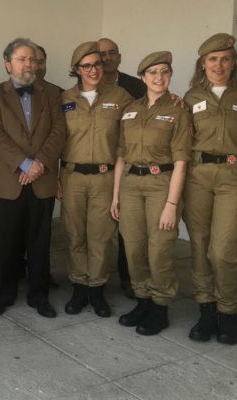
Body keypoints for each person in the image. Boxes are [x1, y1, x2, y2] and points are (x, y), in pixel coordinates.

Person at [182, 33, 237, 345]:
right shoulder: (190, 98)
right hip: (198, 175)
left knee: (224, 250)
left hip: (234, 175)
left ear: (233, 62)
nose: (219, 64)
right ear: (203, 63)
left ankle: (227, 311)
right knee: (199, 244)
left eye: (225, 59)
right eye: (212, 59)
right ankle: (206, 308)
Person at [111, 51, 192, 336]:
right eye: (153, 72)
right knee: (133, 247)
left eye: (164, 72)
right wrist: (115, 196)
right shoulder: (130, 109)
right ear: (143, 77)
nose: (159, 77)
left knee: (159, 249)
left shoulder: (179, 111)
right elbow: (121, 156)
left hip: (161, 184)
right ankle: (143, 299)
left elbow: (181, 161)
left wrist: (172, 203)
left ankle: (160, 306)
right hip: (131, 185)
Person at [0, 38, 66, 318]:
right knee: (6, 242)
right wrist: (25, 163)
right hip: (8, 180)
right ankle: (4, 294)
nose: (28, 64)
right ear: (8, 64)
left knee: (40, 242)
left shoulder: (52, 93)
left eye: (31, 59)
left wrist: (39, 163)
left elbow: (59, 131)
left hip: (42, 178)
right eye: (21, 59)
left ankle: (39, 294)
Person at [59, 41, 134, 317]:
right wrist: (56, 177)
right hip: (72, 176)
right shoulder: (64, 99)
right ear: (77, 69)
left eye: (98, 64)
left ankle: (97, 289)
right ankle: (79, 286)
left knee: (100, 236)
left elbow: (132, 134)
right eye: (87, 65)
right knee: (75, 234)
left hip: (105, 177)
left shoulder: (121, 97)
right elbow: (56, 139)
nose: (93, 70)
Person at [97, 37, 147, 299]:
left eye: (111, 53)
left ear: (119, 57)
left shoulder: (136, 86)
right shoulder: (87, 86)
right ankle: (96, 279)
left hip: (128, 164)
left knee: (128, 228)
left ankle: (128, 277)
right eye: (101, 54)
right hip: (99, 164)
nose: (106, 58)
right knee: (98, 229)